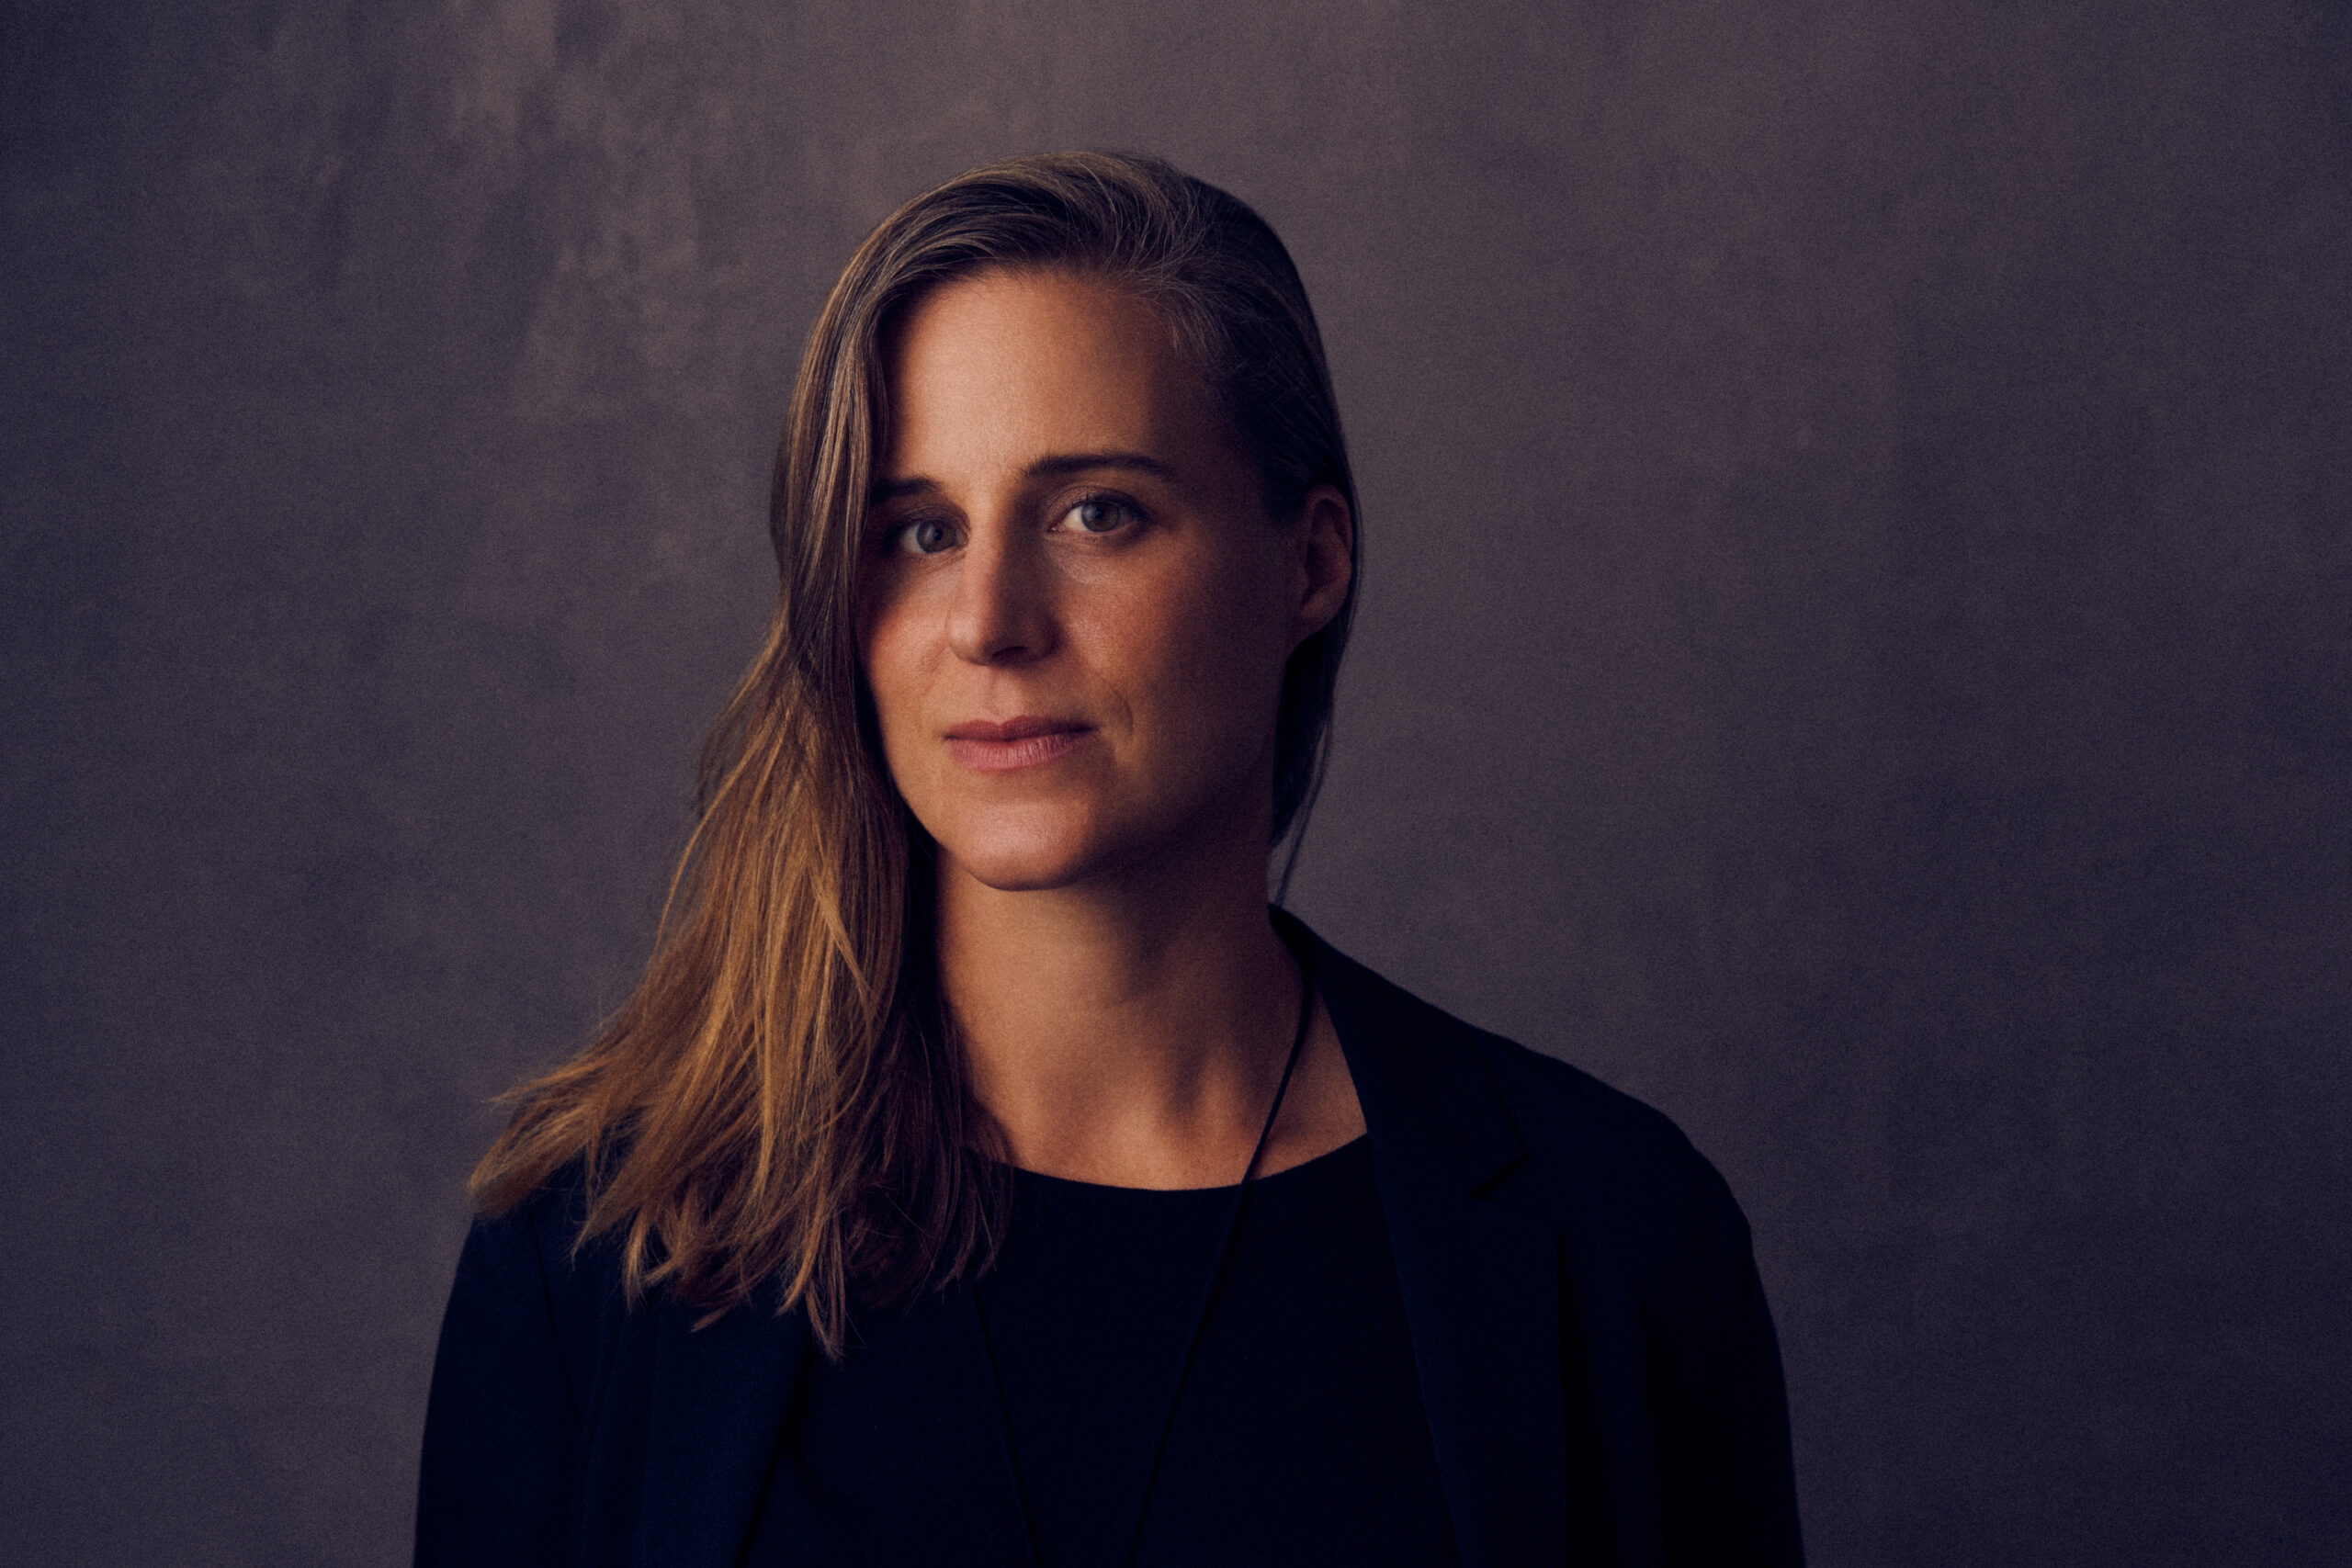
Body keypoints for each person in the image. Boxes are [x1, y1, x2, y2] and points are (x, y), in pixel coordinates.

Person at [414, 151, 1804, 1568]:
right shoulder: (599, 1250)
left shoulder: (1616, 1245)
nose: (991, 621)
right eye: (919, 531)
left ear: (1310, 563)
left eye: (1098, 514)